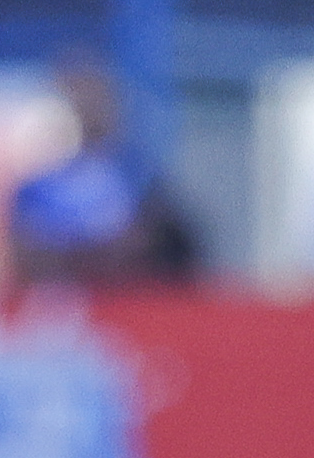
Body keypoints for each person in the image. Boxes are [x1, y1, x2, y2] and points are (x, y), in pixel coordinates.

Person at [10, 55, 194, 286]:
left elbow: (147, 242)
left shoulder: (138, 177)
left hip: (125, 300)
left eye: (96, 100)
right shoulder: (36, 185)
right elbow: (25, 250)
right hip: (58, 302)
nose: (88, 109)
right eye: (78, 99)